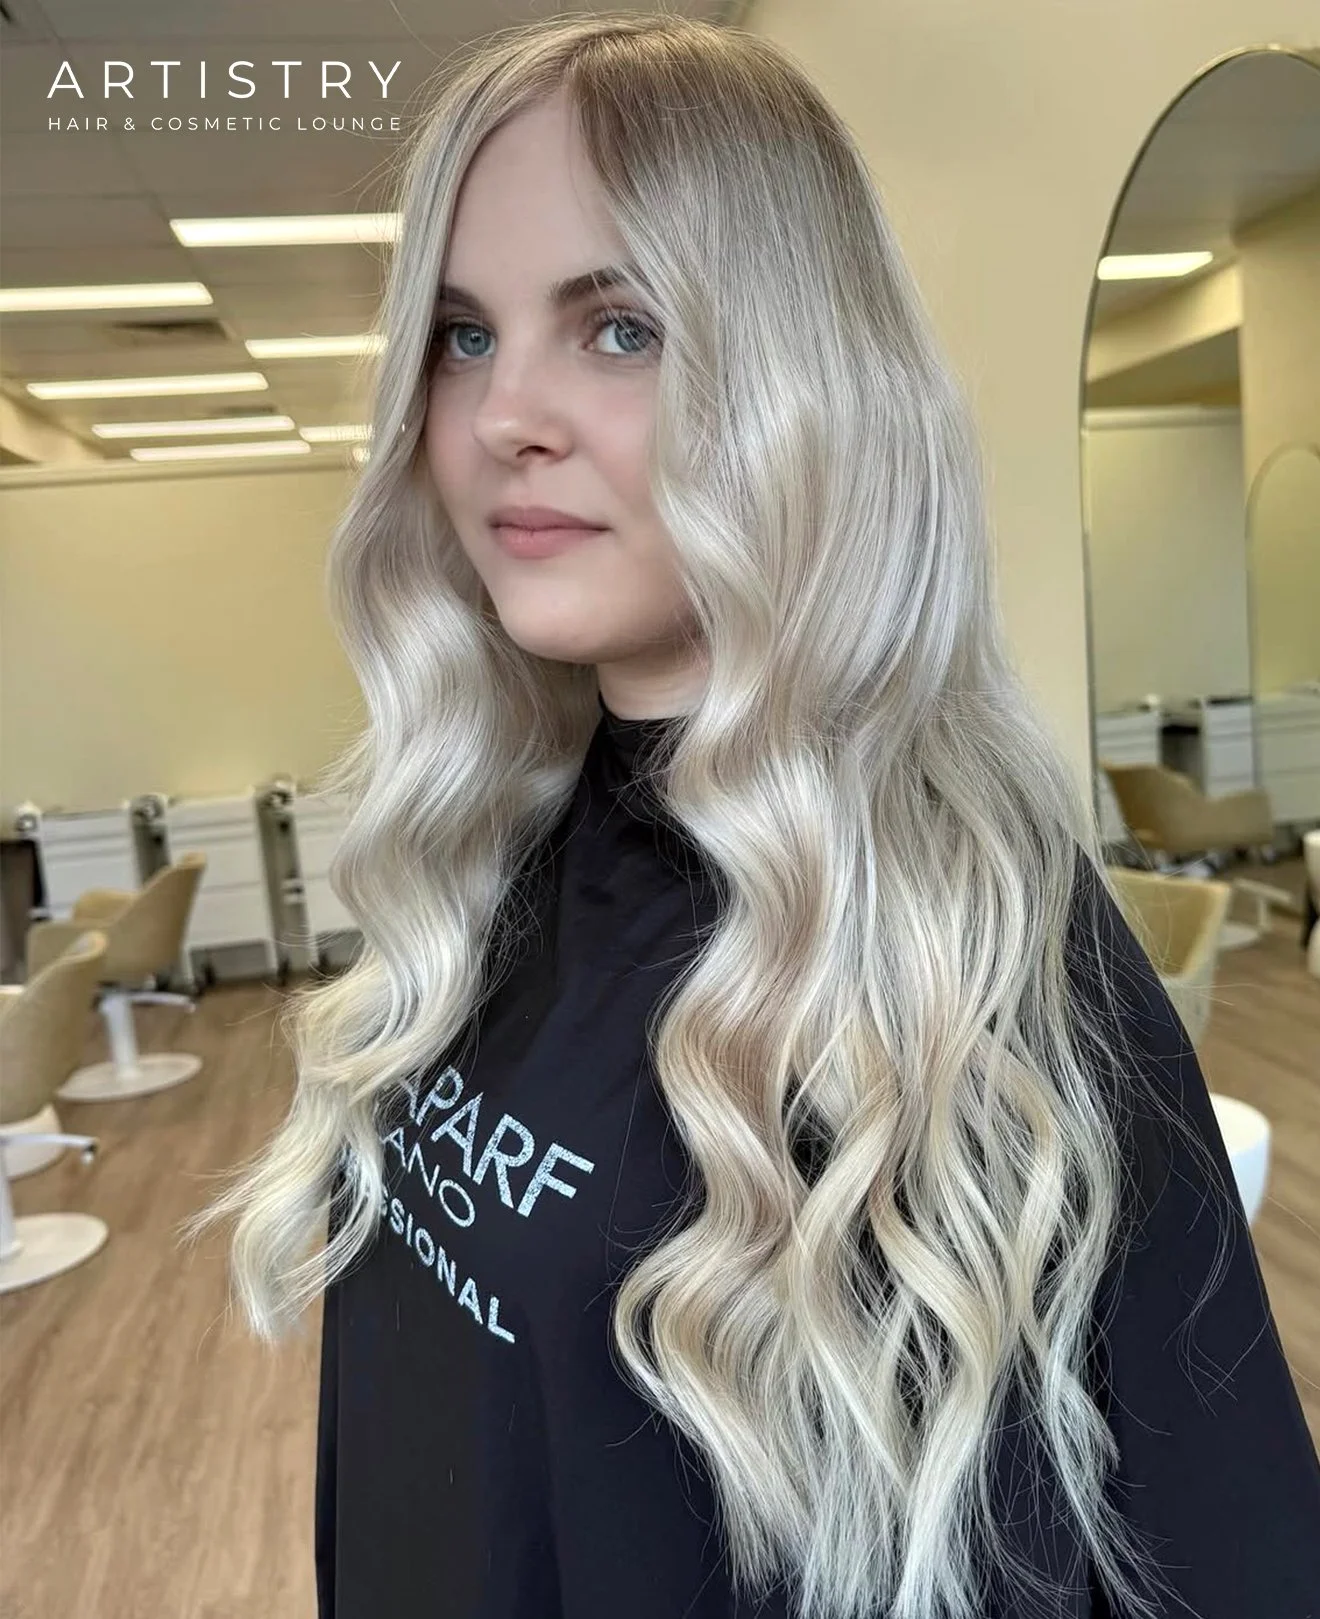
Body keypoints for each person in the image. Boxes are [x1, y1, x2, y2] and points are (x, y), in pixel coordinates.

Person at [182, 14, 1320, 1619]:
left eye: (619, 327)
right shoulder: (496, 868)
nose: (506, 411)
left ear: (804, 380)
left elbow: (1235, 1552)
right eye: (460, 335)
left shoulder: (970, 957)